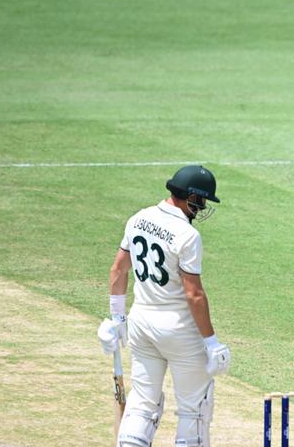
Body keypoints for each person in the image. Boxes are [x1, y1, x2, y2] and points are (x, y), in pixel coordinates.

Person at [98, 165, 231, 446]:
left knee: (142, 405)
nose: (203, 206)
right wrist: (212, 342)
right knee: (194, 410)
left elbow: (118, 270)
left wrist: (117, 319)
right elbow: (194, 294)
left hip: (141, 324)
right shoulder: (187, 235)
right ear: (191, 196)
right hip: (178, 330)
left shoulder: (138, 218)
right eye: (202, 200)